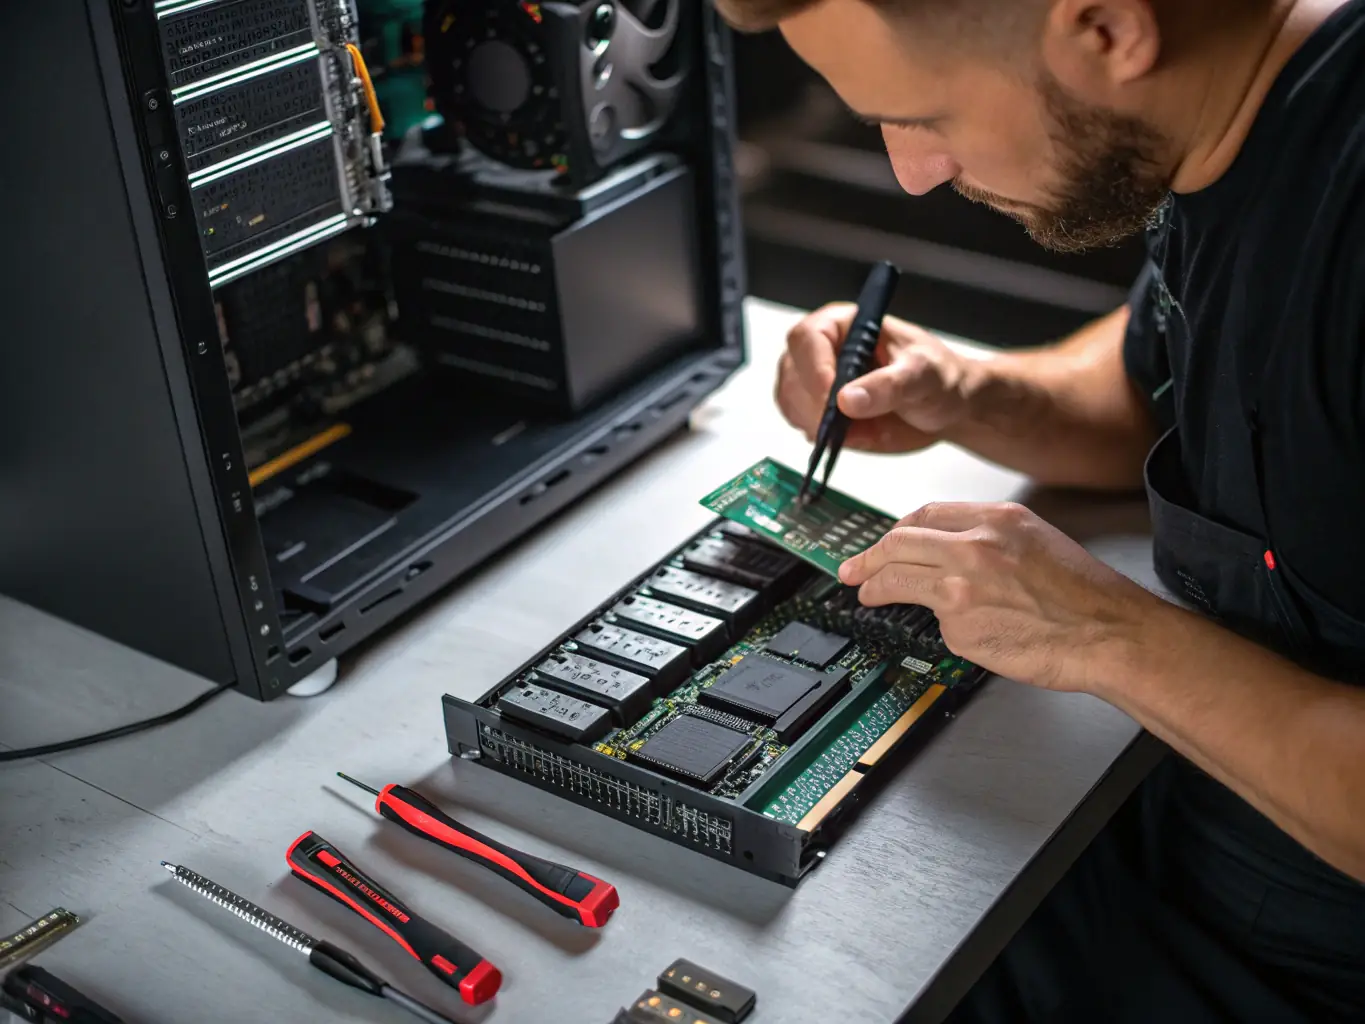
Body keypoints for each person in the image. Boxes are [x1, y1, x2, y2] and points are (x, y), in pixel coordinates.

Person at [712, 0, 1365, 1019]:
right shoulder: (1224, 123)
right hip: (1172, 832)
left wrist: (1105, 634)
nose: (909, 171)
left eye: (921, 114)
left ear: (1106, 27)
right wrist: (965, 391)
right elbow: (1156, 378)